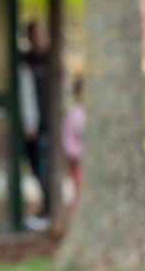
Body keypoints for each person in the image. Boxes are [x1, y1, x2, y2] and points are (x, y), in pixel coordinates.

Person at [18, 20, 51, 231]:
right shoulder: (26, 62)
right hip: (32, 126)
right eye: (33, 34)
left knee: (44, 167)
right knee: (36, 167)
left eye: (39, 33)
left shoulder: (51, 60)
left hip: (47, 125)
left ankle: (49, 209)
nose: (36, 38)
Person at [62, 76, 85, 208]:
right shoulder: (74, 111)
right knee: (78, 184)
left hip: (80, 152)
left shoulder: (75, 110)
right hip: (77, 154)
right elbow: (72, 132)